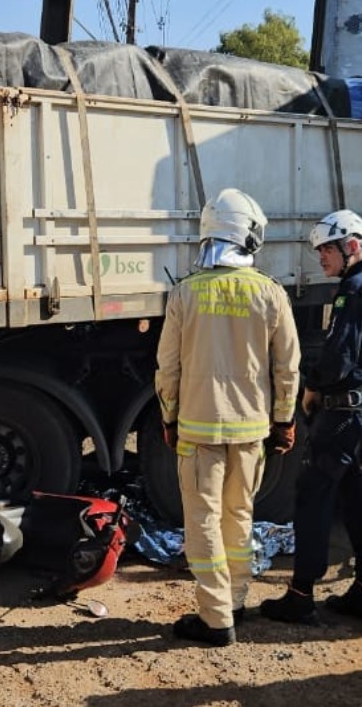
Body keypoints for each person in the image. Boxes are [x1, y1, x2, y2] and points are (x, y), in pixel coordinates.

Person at [154, 188, 301, 647]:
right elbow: (288, 366)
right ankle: (235, 600)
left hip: (198, 429)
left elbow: (168, 367)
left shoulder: (185, 293)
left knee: (203, 519)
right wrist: (284, 420)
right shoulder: (271, 294)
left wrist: (169, 416)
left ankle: (216, 620)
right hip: (253, 429)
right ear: (250, 237)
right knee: (239, 515)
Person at [261, 209, 362, 626]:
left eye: (327, 250)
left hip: (342, 416)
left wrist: (312, 385)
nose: (321, 258)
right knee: (355, 498)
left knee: (313, 497)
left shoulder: (351, 291)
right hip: (359, 416)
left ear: (352, 246)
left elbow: (339, 357)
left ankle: (301, 594)